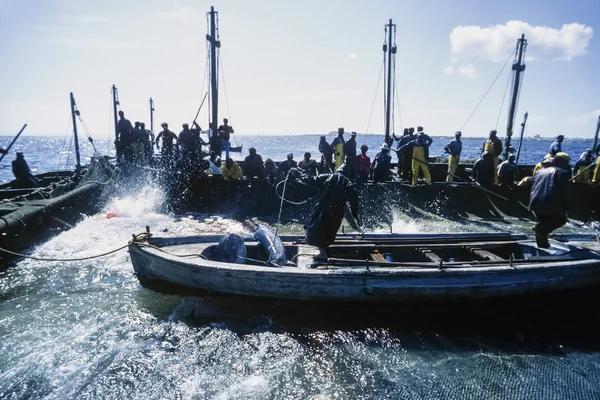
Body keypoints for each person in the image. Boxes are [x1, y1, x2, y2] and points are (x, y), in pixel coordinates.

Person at [292, 163, 360, 262]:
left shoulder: (327, 177)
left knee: (315, 229)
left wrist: (298, 173)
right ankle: (323, 251)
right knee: (329, 231)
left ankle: (322, 253)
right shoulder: (348, 183)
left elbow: (310, 179)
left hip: (322, 209)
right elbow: (354, 202)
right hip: (337, 213)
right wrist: (355, 215)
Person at [529, 152, 572, 248]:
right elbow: (565, 193)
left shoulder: (539, 171)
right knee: (561, 220)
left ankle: (543, 244)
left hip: (535, 202)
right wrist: (567, 207)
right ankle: (540, 229)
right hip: (551, 203)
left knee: (543, 222)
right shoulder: (563, 173)